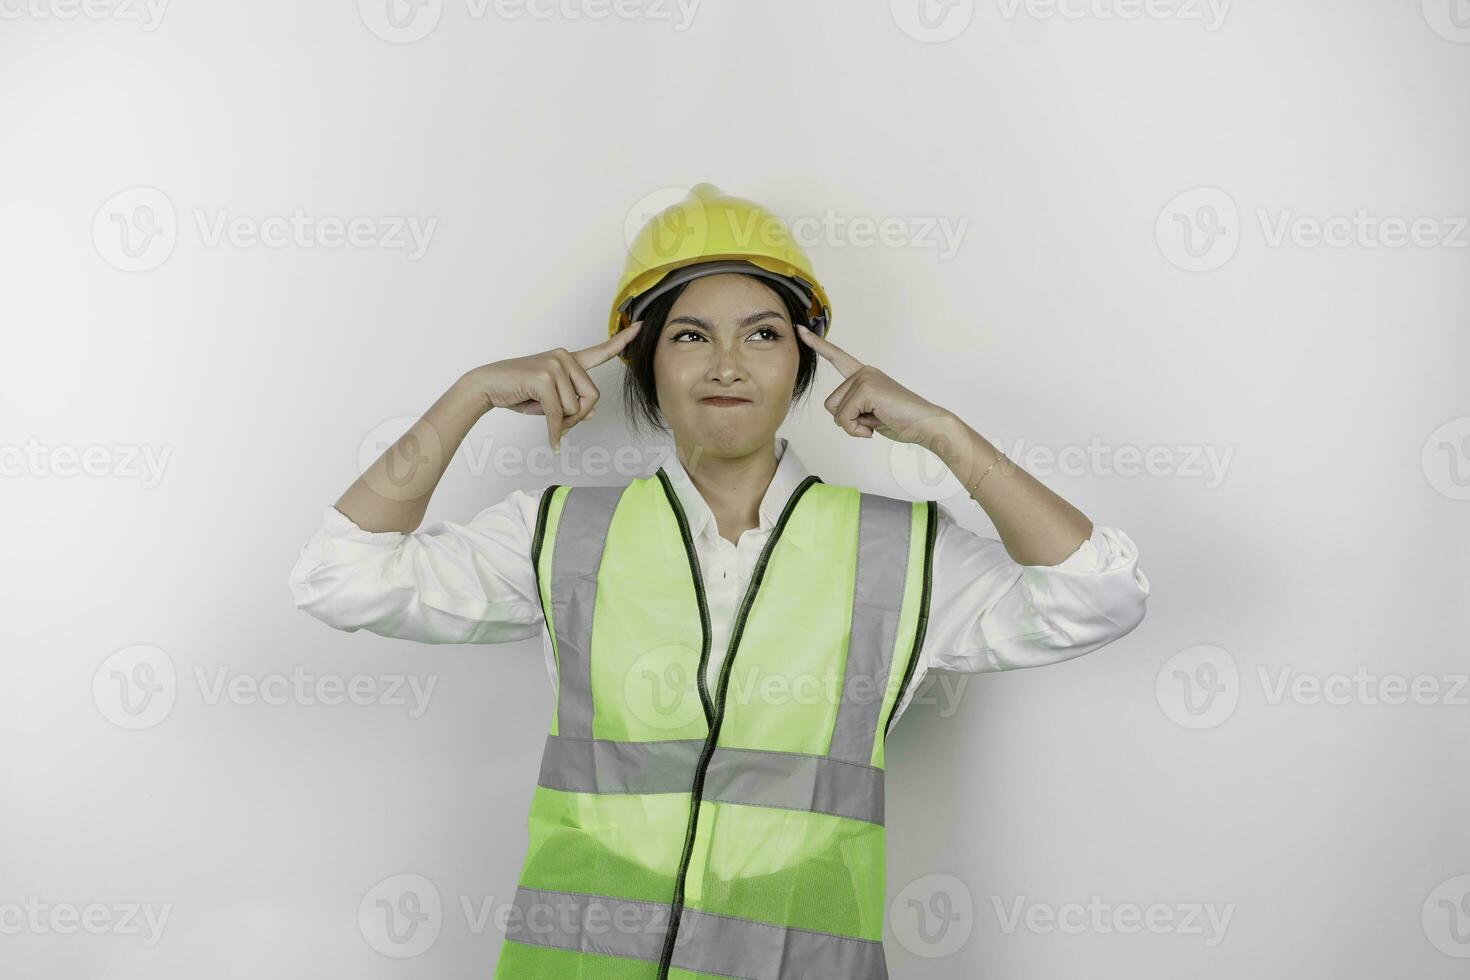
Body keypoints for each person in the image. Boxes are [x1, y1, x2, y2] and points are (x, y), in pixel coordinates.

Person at [289, 183, 1150, 979]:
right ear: (645, 364)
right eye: (691, 335)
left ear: (806, 365)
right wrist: (470, 394)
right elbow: (340, 576)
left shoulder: (900, 551)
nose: (728, 364)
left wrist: (949, 437)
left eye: (764, 333)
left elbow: (1100, 594)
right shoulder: (559, 534)